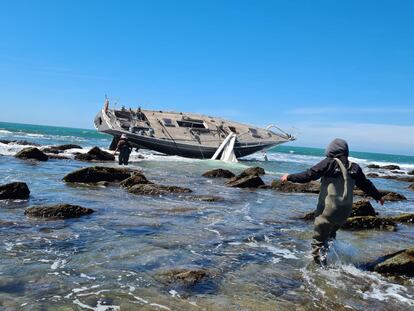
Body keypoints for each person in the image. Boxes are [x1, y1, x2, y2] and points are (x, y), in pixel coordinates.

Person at [280, 138, 384, 266]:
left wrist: (289, 177)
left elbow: (309, 175)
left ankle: (320, 271)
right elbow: (366, 185)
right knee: (330, 236)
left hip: (328, 210)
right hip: (345, 211)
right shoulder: (355, 168)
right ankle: (332, 260)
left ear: (331, 151)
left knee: (318, 242)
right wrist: (378, 196)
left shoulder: (329, 163)